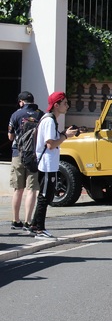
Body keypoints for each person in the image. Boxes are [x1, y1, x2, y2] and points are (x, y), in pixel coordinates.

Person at [30, 92, 79, 238]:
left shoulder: (50, 119)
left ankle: (34, 225)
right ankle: (39, 229)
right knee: (45, 196)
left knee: (47, 195)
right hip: (46, 164)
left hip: (49, 164)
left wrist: (64, 133)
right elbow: (50, 144)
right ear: (56, 105)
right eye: (65, 103)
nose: (67, 106)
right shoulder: (49, 120)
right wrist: (65, 136)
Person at [7, 91, 44, 230]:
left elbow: (10, 136)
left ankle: (16, 220)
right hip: (33, 156)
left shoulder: (16, 114)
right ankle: (28, 222)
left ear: (21, 102)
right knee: (32, 190)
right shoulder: (40, 115)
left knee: (18, 189)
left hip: (18, 154)